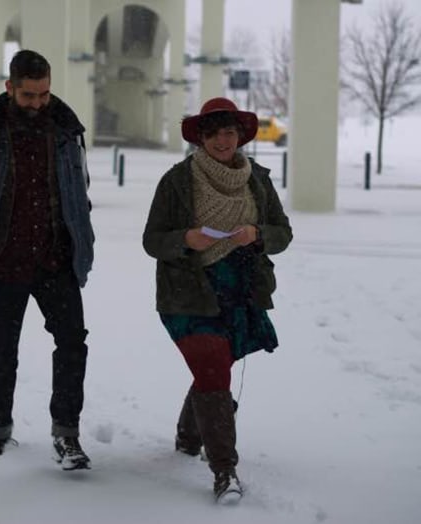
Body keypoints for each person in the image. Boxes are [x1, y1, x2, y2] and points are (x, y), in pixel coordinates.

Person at [0, 50, 95, 470]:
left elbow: (80, 188)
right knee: (3, 346)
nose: (37, 103)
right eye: (29, 95)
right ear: (9, 87)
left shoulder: (67, 131)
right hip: (2, 259)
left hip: (55, 258)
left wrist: (81, 238)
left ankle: (67, 434)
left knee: (72, 341)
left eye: (44, 94)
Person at [142, 97, 292, 503]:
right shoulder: (177, 180)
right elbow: (152, 240)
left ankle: (190, 435)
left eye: (230, 132)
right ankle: (225, 469)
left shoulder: (256, 178)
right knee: (212, 365)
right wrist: (186, 239)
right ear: (202, 138)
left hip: (240, 291)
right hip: (186, 294)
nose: (223, 141)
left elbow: (283, 232)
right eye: (214, 134)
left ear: (240, 136)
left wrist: (258, 234)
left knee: (215, 368)